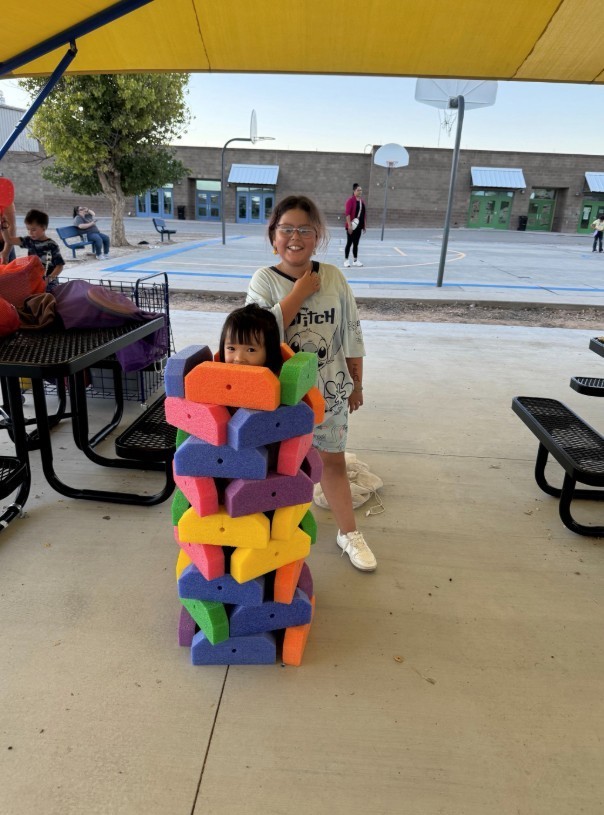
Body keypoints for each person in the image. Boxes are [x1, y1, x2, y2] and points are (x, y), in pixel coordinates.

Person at [246, 195, 377, 572]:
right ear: (274, 236)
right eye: (287, 228)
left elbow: (352, 333)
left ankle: (349, 533)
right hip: (282, 396)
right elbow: (257, 334)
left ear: (317, 236)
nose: (295, 237)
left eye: (305, 229)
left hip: (330, 390)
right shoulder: (263, 280)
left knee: (332, 462)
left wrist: (357, 384)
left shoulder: (334, 276)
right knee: (278, 466)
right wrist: (299, 293)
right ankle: (269, 535)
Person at [1, 208, 64, 289]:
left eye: (33, 229)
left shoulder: (51, 245)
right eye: (28, 229)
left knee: (47, 299)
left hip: (49, 282)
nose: (30, 232)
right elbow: (8, 240)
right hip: (33, 280)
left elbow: (60, 266)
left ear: (44, 228)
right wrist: (4, 227)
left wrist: (48, 279)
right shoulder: (29, 241)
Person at [218, 303, 283, 375]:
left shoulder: (277, 381)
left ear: (270, 352)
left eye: (251, 350)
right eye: (231, 348)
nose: (238, 358)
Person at [343, 183, 366, 268]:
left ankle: (355, 260)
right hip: (351, 226)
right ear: (354, 191)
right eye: (358, 190)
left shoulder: (361, 201)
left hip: (359, 226)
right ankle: (346, 260)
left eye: (361, 190)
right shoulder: (350, 201)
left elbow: (363, 214)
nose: (360, 192)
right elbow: (347, 214)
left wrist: (364, 226)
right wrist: (349, 226)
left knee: (356, 244)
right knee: (349, 243)